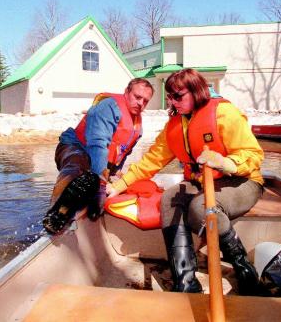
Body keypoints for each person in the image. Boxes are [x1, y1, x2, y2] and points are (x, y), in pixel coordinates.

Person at [107, 69, 264, 295]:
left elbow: (253, 154)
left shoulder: (224, 113)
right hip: (202, 182)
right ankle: (185, 280)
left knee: (201, 209)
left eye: (178, 96)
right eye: (169, 96)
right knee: (169, 198)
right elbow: (151, 161)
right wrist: (118, 186)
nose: (172, 101)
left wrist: (226, 163)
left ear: (197, 92)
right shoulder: (174, 126)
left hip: (242, 180)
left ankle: (243, 266)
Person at [43, 78, 154, 235]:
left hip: (99, 163)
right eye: (137, 97)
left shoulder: (138, 127)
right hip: (74, 147)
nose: (141, 103)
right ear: (127, 92)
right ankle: (56, 214)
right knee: (77, 169)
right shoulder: (109, 107)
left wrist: (114, 175)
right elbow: (98, 144)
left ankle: (85, 205)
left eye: (145, 101)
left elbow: (121, 154)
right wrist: (101, 186)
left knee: (106, 181)